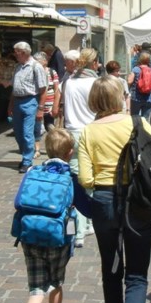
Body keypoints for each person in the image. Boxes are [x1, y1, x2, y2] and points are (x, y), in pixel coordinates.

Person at [78, 76, 151, 303]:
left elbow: (86, 178)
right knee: (137, 275)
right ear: (120, 97)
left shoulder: (88, 132)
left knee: (111, 270)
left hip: (104, 202)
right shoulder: (137, 123)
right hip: (138, 201)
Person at [17, 128, 91, 303]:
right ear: (71, 153)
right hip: (58, 238)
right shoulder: (70, 178)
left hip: (30, 237)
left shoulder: (32, 172)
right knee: (56, 283)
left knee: (35, 290)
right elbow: (87, 208)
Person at [61, 48, 100, 246]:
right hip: (91, 132)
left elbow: (63, 108)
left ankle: (86, 224)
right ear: (93, 64)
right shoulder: (94, 82)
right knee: (90, 180)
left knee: (77, 180)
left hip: (71, 132)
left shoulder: (69, 81)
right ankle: (83, 229)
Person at [7, 42, 48, 174]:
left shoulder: (36, 67)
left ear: (23, 53)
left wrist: (40, 108)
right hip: (18, 102)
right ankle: (26, 155)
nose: (14, 54)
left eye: (16, 52)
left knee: (27, 133)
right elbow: (14, 89)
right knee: (18, 133)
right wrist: (10, 105)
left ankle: (27, 161)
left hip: (30, 101)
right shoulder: (18, 67)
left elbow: (43, 89)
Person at [32, 52, 61, 158]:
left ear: (45, 61)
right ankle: (37, 149)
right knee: (37, 127)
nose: (36, 63)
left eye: (38, 61)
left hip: (49, 104)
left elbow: (57, 89)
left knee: (49, 126)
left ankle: (55, 147)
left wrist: (55, 105)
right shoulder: (33, 72)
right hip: (37, 103)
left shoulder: (52, 72)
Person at [126, 51, 151, 119]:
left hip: (136, 98)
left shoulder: (135, 69)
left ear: (140, 59)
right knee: (145, 120)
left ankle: (135, 129)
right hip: (148, 98)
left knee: (134, 118)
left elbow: (129, 81)